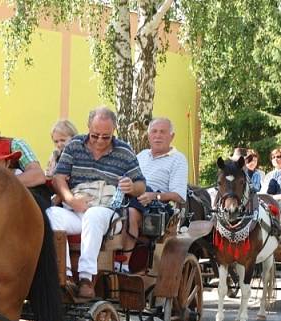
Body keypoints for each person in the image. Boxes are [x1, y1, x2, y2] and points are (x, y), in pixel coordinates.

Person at [47, 106, 146, 299]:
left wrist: (131, 188)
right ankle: (65, 276)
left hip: (107, 214)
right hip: (76, 208)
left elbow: (141, 184)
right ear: (87, 128)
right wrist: (70, 199)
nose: (100, 141)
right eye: (95, 135)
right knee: (51, 215)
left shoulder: (124, 151)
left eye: (106, 137)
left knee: (92, 216)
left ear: (114, 131)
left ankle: (86, 278)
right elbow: (58, 178)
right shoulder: (74, 145)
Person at [120, 117, 189, 272]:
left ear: (171, 136)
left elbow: (178, 196)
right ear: (149, 136)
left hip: (158, 206)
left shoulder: (178, 159)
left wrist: (154, 196)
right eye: (154, 132)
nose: (158, 136)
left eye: (162, 132)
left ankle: (123, 265)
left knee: (131, 210)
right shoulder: (141, 156)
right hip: (134, 196)